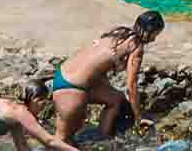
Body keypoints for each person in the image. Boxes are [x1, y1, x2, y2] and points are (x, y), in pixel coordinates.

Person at [51, 10, 164, 142]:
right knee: (62, 142)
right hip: (72, 90)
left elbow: (98, 67)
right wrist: (139, 117)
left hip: (61, 75)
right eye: (155, 35)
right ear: (149, 31)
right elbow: (131, 86)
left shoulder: (118, 33)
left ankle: (103, 137)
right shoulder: (136, 47)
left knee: (116, 99)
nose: (154, 39)